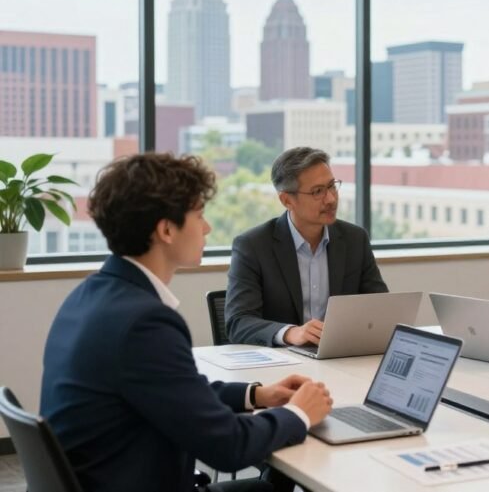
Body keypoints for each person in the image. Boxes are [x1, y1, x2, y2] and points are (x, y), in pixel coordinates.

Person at [40, 153, 333, 492]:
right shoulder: (144, 323)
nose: (207, 227)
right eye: (198, 214)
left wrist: (257, 395)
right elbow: (229, 448)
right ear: (166, 229)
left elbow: (173, 390)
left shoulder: (91, 295)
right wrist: (299, 413)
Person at [226, 147, 388, 347]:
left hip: (339, 357)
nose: (330, 199)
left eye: (332, 186)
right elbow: (238, 323)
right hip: (282, 363)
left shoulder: (355, 239)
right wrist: (291, 333)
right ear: (287, 200)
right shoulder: (253, 246)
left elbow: (381, 309)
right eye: (318, 191)